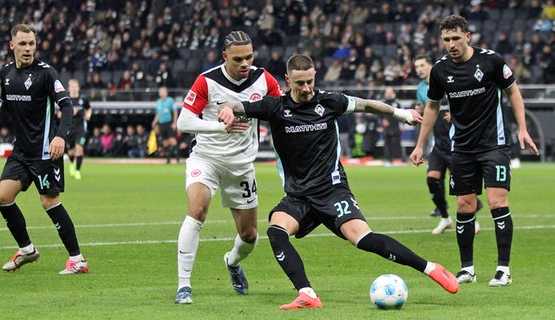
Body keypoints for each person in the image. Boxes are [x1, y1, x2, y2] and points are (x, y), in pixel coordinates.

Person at [218, 54, 458, 310]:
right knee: (276, 231)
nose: (307, 88)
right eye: (300, 83)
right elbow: (236, 105)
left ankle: (431, 268)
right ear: (288, 80)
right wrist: (226, 108)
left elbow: (366, 105)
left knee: (363, 239)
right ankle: (307, 293)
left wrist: (400, 113)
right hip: (298, 196)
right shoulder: (275, 107)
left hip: (332, 191)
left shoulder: (330, 101)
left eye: (310, 81)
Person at [410, 15, 539, 287]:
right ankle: (467, 268)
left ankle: (503, 269)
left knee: (496, 202)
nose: (451, 44)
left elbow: (513, 92)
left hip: (494, 145)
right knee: (464, 206)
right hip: (462, 149)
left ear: (468, 37)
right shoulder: (440, 70)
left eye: (456, 38)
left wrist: (523, 128)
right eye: (446, 39)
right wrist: (420, 144)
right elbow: (432, 107)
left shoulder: (491, 61)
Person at [174, 30, 282, 304]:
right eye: (238, 59)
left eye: (249, 57)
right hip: (206, 158)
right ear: (225, 57)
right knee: (197, 210)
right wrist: (219, 127)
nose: (245, 63)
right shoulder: (207, 81)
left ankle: (232, 262)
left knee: (249, 235)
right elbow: (183, 122)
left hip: (242, 165)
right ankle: (183, 286)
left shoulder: (263, 79)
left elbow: (279, 110)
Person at [0, 24, 88, 274]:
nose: (28, 48)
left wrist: (60, 137)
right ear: (12, 46)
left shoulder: (46, 73)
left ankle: (77, 259)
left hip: (45, 152)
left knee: (49, 201)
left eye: (32, 43)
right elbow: (5, 108)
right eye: (22, 43)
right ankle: (27, 250)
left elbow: (67, 106)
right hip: (21, 151)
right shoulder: (7, 73)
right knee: (3, 197)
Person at [413, 54, 484, 234]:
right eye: (416, 67)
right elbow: (429, 110)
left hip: (457, 141)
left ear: (431, 66)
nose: (419, 69)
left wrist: (457, 113)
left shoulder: (446, 80)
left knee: (461, 183)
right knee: (432, 179)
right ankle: (445, 218)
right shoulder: (421, 89)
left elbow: (467, 100)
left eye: (422, 65)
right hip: (439, 142)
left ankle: (472, 219)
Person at [63, 79, 91, 180]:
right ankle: (72, 163)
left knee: (79, 148)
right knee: (71, 151)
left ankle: (78, 171)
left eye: (76, 86)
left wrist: (88, 114)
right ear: (69, 88)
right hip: (69, 128)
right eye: (72, 87)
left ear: (78, 88)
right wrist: (69, 113)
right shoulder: (65, 99)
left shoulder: (83, 99)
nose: (74, 88)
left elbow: (89, 108)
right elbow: (58, 114)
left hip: (80, 128)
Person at [151, 86, 178, 164]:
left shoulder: (170, 100)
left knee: (172, 140)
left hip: (168, 123)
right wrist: (154, 122)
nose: (162, 93)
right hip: (161, 123)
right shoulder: (158, 102)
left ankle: (177, 157)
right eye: (161, 91)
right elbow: (158, 114)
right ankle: (168, 158)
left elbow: (175, 112)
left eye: (163, 91)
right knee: (165, 142)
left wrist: (174, 122)